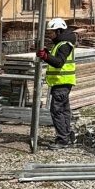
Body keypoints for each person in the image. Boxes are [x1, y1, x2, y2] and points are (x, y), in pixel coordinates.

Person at [37, 18, 76, 149]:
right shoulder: (61, 43)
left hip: (61, 83)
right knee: (64, 111)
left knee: (57, 111)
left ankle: (62, 140)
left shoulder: (64, 45)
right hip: (62, 83)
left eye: (51, 32)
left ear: (59, 31)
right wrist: (47, 54)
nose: (49, 34)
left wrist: (45, 57)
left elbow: (59, 62)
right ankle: (68, 135)